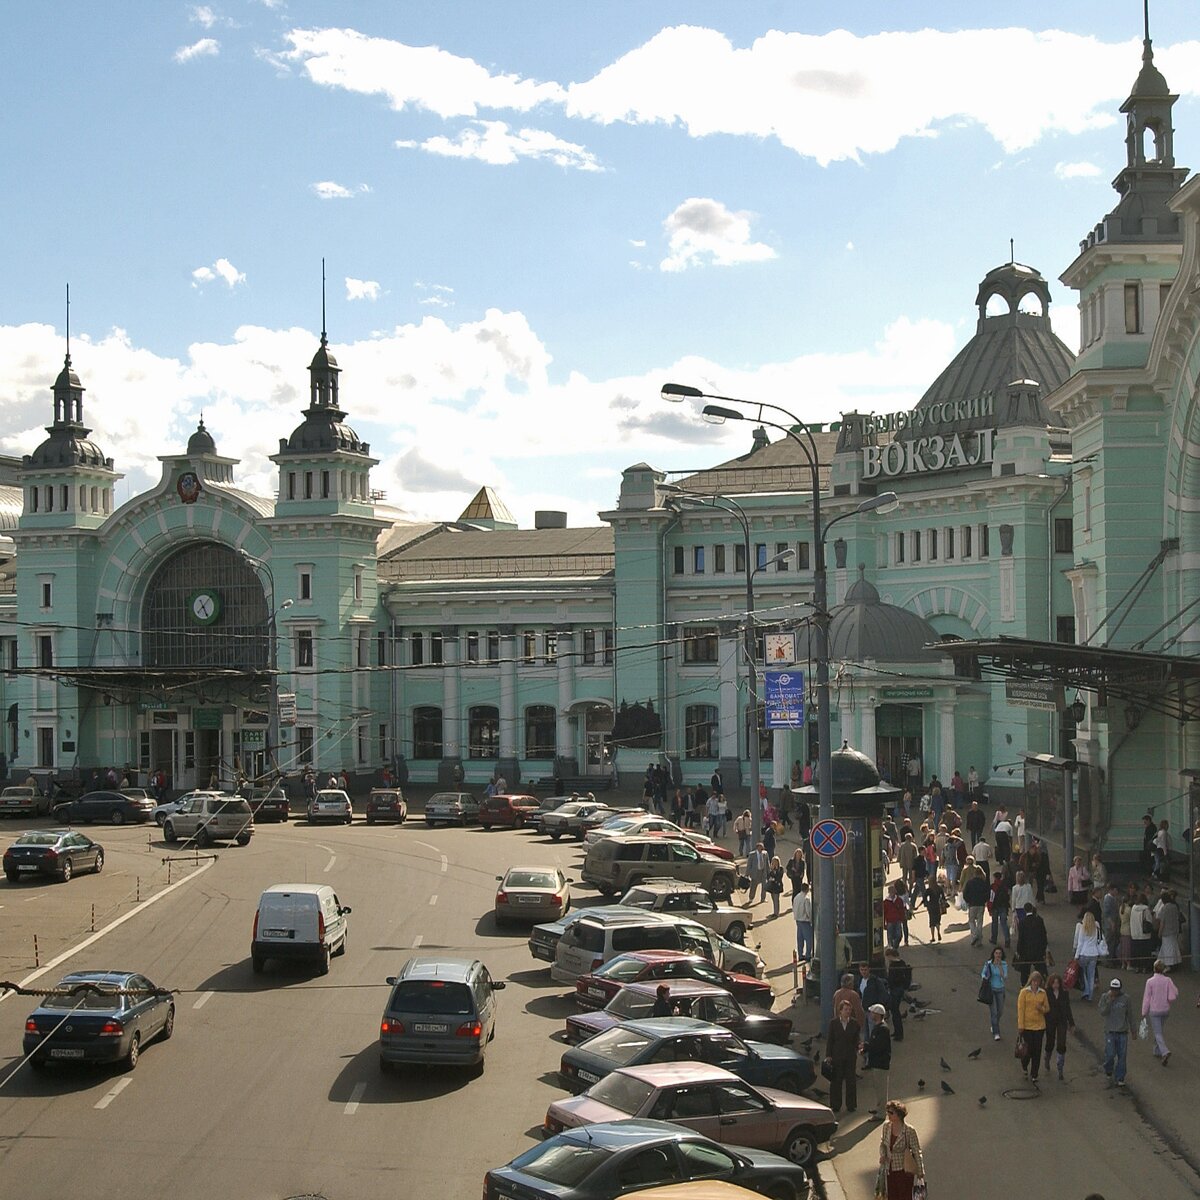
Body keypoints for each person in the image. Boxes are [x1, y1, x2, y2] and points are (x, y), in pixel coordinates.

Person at [879, 1100, 925, 1200]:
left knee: (904, 1196)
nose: (888, 1115)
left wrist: (920, 1172)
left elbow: (917, 1151)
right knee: (892, 1195)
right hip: (890, 1168)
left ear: (899, 1115)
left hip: (904, 1170)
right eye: (888, 1112)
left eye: (891, 1113)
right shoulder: (886, 1126)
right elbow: (883, 1144)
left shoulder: (909, 1130)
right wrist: (883, 1155)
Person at [1098, 977, 1135, 1087]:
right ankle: (1108, 1069)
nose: (1114, 991)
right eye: (1113, 989)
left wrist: (1133, 1029)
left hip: (1122, 1032)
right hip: (1110, 1031)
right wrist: (1110, 1001)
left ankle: (1120, 1077)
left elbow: (1130, 1015)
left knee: (1122, 1056)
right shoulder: (1105, 997)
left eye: (1116, 989)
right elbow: (1103, 1012)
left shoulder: (1126, 999)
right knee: (1110, 1054)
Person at [825, 999, 860, 1114]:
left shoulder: (854, 1023)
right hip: (837, 1057)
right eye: (845, 1009)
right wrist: (829, 1055)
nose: (848, 1012)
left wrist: (858, 1049)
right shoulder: (834, 1023)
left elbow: (856, 1040)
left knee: (851, 1081)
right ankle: (835, 1105)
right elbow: (830, 1040)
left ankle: (851, 1105)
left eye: (849, 1010)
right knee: (836, 1081)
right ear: (840, 1011)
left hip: (850, 1057)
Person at [1141, 959, 1179, 1065]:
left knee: (1157, 1032)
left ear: (1154, 969)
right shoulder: (1168, 980)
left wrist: (1144, 1011)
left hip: (1154, 1010)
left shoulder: (1150, 982)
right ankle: (1156, 1050)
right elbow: (1175, 992)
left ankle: (1164, 1051)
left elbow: (1147, 998)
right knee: (1159, 1030)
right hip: (1165, 1009)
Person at [1017, 970, 1050, 1085]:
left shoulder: (1043, 993)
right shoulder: (1024, 993)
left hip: (1039, 1026)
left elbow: (1047, 1008)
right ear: (1031, 981)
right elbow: (1020, 1010)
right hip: (1027, 1026)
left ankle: (1034, 1074)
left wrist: (1041, 1009)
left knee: (1037, 1050)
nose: (1036, 983)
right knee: (1028, 1050)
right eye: (1034, 981)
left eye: (1038, 981)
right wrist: (1021, 1026)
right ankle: (1024, 1065)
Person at [1043, 972, 1075, 1081]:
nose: (1055, 985)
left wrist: (1071, 1023)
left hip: (1061, 1020)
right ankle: (1047, 1058)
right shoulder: (1046, 993)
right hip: (1050, 1021)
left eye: (1057, 983)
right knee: (1050, 1042)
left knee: (1061, 1043)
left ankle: (1060, 1066)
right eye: (1054, 983)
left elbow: (1068, 1008)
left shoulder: (1064, 994)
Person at [863, 1004, 892, 1116]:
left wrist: (866, 1047)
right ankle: (879, 1108)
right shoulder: (878, 1027)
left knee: (881, 1090)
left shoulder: (883, 1029)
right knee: (878, 1088)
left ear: (877, 1015)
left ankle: (881, 1113)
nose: (870, 1014)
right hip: (877, 1063)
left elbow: (878, 1046)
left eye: (872, 1013)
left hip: (881, 1064)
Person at [1015, 903, 1050, 986]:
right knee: (1041, 968)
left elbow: (1021, 938)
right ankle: (1045, 983)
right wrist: (1044, 947)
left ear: (1024, 910)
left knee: (1025, 969)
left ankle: (1024, 984)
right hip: (1038, 950)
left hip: (1026, 951)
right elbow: (1044, 934)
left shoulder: (1022, 922)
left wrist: (1018, 950)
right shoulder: (1039, 920)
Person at [1073, 911, 1104, 1001]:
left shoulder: (1083, 928)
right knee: (1091, 975)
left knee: (1083, 974)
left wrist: (1076, 956)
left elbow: (1080, 943)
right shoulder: (1096, 928)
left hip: (1084, 953)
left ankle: (1086, 991)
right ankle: (1090, 995)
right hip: (1094, 954)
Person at [883, 947, 910, 1042]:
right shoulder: (902, 963)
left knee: (895, 1012)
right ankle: (897, 1032)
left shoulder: (893, 966)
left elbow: (891, 979)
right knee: (895, 1011)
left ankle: (899, 1034)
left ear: (890, 956)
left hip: (895, 990)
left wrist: (889, 986)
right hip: (900, 989)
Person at [981, 946, 1008, 1041]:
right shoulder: (989, 964)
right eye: (996, 953)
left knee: (1000, 1011)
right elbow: (983, 974)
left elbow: (1004, 977)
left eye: (1000, 953)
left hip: (1000, 989)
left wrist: (1000, 966)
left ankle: (994, 1023)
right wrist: (986, 977)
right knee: (994, 1012)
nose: (998, 955)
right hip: (991, 990)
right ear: (993, 954)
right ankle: (996, 1032)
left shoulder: (1004, 964)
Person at [1155, 890, 1184, 970]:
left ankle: (1168, 964)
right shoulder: (1174, 907)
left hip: (1166, 932)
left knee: (1167, 948)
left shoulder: (1164, 908)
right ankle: (1174, 962)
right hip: (1174, 931)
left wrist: (1159, 932)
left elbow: (1162, 922)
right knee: (1174, 947)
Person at [962, 864, 990, 946]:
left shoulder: (970, 883)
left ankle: (974, 935)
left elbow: (965, 894)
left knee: (971, 921)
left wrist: (968, 901)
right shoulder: (984, 883)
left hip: (972, 904)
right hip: (981, 904)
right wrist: (984, 901)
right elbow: (987, 894)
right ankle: (979, 940)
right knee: (980, 922)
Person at [1129, 893, 1153, 972]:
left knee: (1136, 952)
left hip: (1135, 933)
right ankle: (1145, 967)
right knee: (1145, 952)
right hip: (1144, 934)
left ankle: (1136, 967)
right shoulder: (1146, 909)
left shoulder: (1133, 908)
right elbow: (1149, 920)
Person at [792, 882, 813, 962]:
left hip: (798, 920)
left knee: (800, 938)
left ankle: (800, 955)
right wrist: (811, 919)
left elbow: (793, 907)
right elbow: (808, 911)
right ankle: (808, 955)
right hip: (805, 921)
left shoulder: (796, 897)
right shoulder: (806, 899)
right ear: (807, 889)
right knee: (808, 939)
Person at [989, 870, 1011, 948]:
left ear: (995, 877)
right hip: (1004, 906)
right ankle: (1007, 939)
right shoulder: (1004, 886)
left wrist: (989, 909)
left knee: (994, 923)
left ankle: (994, 939)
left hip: (995, 907)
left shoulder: (993, 886)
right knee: (1004, 923)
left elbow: (991, 899)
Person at [883, 884, 906, 952]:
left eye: (894, 891)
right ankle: (891, 947)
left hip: (898, 920)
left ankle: (894, 946)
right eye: (891, 891)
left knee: (899, 935)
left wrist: (903, 918)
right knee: (890, 936)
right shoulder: (886, 902)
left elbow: (902, 910)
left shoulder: (899, 900)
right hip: (890, 921)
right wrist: (884, 923)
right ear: (889, 892)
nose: (893, 892)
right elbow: (884, 913)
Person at [925, 871, 945, 942]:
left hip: (931, 906)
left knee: (932, 922)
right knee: (937, 921)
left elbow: (924, 899)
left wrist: (925, 904)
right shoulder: (939, 888)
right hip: (937, 906)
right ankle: (938, 932)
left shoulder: (929, 890)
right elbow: (943, 897)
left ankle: (933, 937)